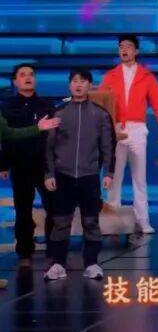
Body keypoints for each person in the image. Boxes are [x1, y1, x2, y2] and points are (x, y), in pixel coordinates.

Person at [43, 69, 115, 282]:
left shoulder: (100, 114)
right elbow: (48, 146)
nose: (78, 85)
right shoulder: (58, 112)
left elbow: (108, 146)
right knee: (60, 222)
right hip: (62, 176)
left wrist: (108, 172)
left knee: (91, 222)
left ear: (90, 85)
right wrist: (49, 173)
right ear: (69, 85)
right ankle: (58, 264)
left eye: (83, 81)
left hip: (89, 176)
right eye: (74, 81)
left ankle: (91, 264)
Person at [101, 34, 158, 234]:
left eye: (128, 46)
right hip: (116, 128)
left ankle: (142, 220)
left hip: (137, 129)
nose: (124, 50)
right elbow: (102, 103)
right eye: (121, 46)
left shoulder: (146, 76)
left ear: (136, 51)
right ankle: (111, 218)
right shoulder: (110, 76)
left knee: (140, 178)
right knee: (114, 175)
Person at [1, 63, 59, 267]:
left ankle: (54, 251)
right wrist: (3, 164)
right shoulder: (6, 106)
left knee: (53, 208)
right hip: (20, 164)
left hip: (44, 166)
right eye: (23, 75)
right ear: (15, 81)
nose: (28, 78)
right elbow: (5, 137)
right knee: (23, 210)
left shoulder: (46, 105)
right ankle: (25, 252)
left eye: (31, 74)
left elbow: (54, 137)